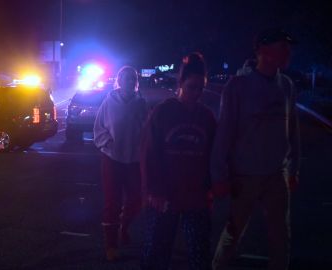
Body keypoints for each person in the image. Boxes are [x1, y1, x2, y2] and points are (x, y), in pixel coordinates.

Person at [211, 28, 300, 270]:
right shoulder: (238, 87)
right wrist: (218, 175)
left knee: (281, 235)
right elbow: (225, 133)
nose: (287, 52)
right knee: (234, 231)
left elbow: (292, 131)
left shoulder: (287, 86)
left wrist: (293, 169)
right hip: (245, 175)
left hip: (276, 175)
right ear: (263, 51)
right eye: (282, 47)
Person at [141, 52, 216, 270]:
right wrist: (153, 190)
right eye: (192, 87)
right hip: (165, 195)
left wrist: (211, 187)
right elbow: (149, 153)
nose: (196, 93)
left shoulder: (207, 117)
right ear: (181, 83)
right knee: (157, 249)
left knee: (199, 251)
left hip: (196, 196)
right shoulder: (163, 112)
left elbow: (213, 154)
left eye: (201, 88)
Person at [93, 66, 147, 261]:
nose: (129, 82)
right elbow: (99, 126)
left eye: (132, 79)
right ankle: (111, 244)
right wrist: (106, 141)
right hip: (112, 159)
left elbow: (147, 128)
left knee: (136, 199)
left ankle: (124, 225)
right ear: (119, 81)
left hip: (134, 160)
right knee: (112, 202)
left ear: (136, 82)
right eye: (125, 79)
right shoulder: (109, 102)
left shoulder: (141, 103)